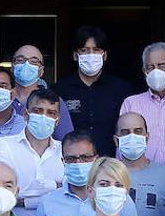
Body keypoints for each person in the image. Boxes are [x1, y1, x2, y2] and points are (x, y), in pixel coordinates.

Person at [35, 130, 138, 216]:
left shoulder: (118, 197)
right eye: (71, 159)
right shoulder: (47, 203)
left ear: (96, 159)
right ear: (63, 161)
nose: (78, 163)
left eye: (85, 157)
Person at [54, 26, 132, 156]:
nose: (91, 55)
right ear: (75, 55)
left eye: (96, 50)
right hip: (73, 163)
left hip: (109, 163)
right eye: (84, 50)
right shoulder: (60, 90)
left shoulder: (121, 89)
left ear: (105, 55)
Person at [0, 88, 65, 216]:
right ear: (25, 114)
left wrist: (23, 199)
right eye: (37, 111)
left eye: (51, 113)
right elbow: (1, 192)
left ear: (57, 121)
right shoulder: (4, 145)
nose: (44, 117)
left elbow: (72, 192)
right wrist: (55, 186)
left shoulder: (65, 151)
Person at [115, 112, 165, 216]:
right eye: (125, 132)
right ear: (116, 139)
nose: (132, 136)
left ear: (147, 137)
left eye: (138, 131)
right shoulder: (107, 175)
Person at [10, 44, 74, 140]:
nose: (26, 64)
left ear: (41, 71)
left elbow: (66, 141)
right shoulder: (1, 99)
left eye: (34, 61)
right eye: (20, 60)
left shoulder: (55, 102)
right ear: (12, 67)